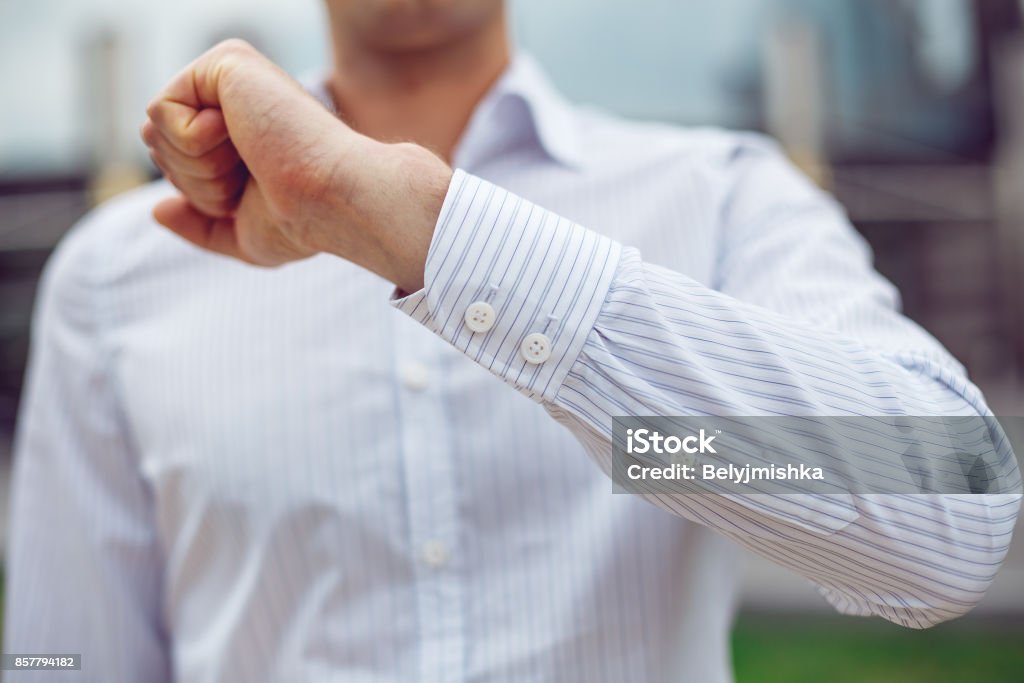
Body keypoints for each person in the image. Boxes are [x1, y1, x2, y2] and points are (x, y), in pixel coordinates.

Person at [5, 1, 1020, 681]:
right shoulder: (117, 271)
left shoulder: (717, 196)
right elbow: (67, 658)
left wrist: (432, 234)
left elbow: (947, 512)